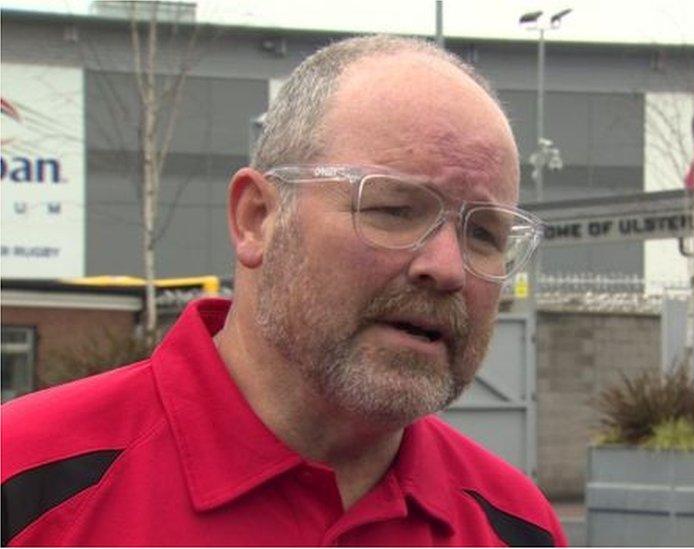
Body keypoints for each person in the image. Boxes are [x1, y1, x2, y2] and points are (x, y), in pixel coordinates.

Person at [2, 35, 566, 547]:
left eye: (485, 233)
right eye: (395, 209)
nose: (448, 268)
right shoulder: (24, 486)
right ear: (257, 218)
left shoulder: (518, 527)